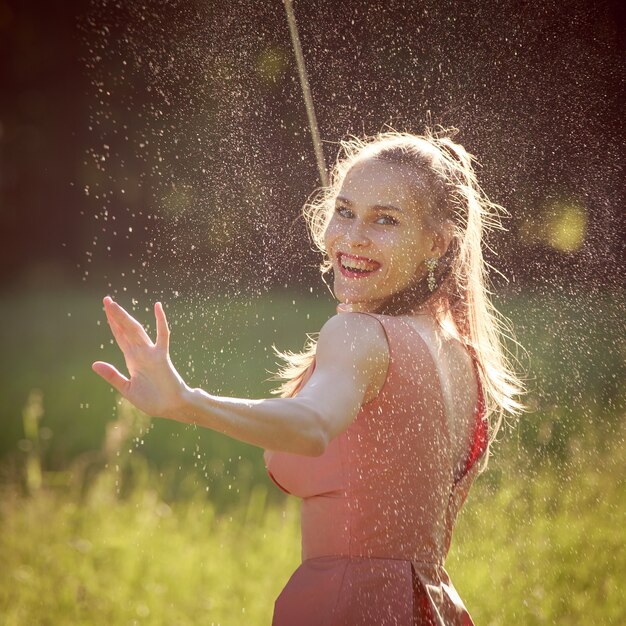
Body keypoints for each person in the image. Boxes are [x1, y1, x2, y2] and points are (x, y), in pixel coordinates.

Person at [92, 129, 525, 625]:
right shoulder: (461, 353)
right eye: (344, 211)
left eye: (385, 219)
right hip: (430, 607)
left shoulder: (357, 334)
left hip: (346, 606)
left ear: (436, 243)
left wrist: (186, 401)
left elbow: (312, 423)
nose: (353, 236)